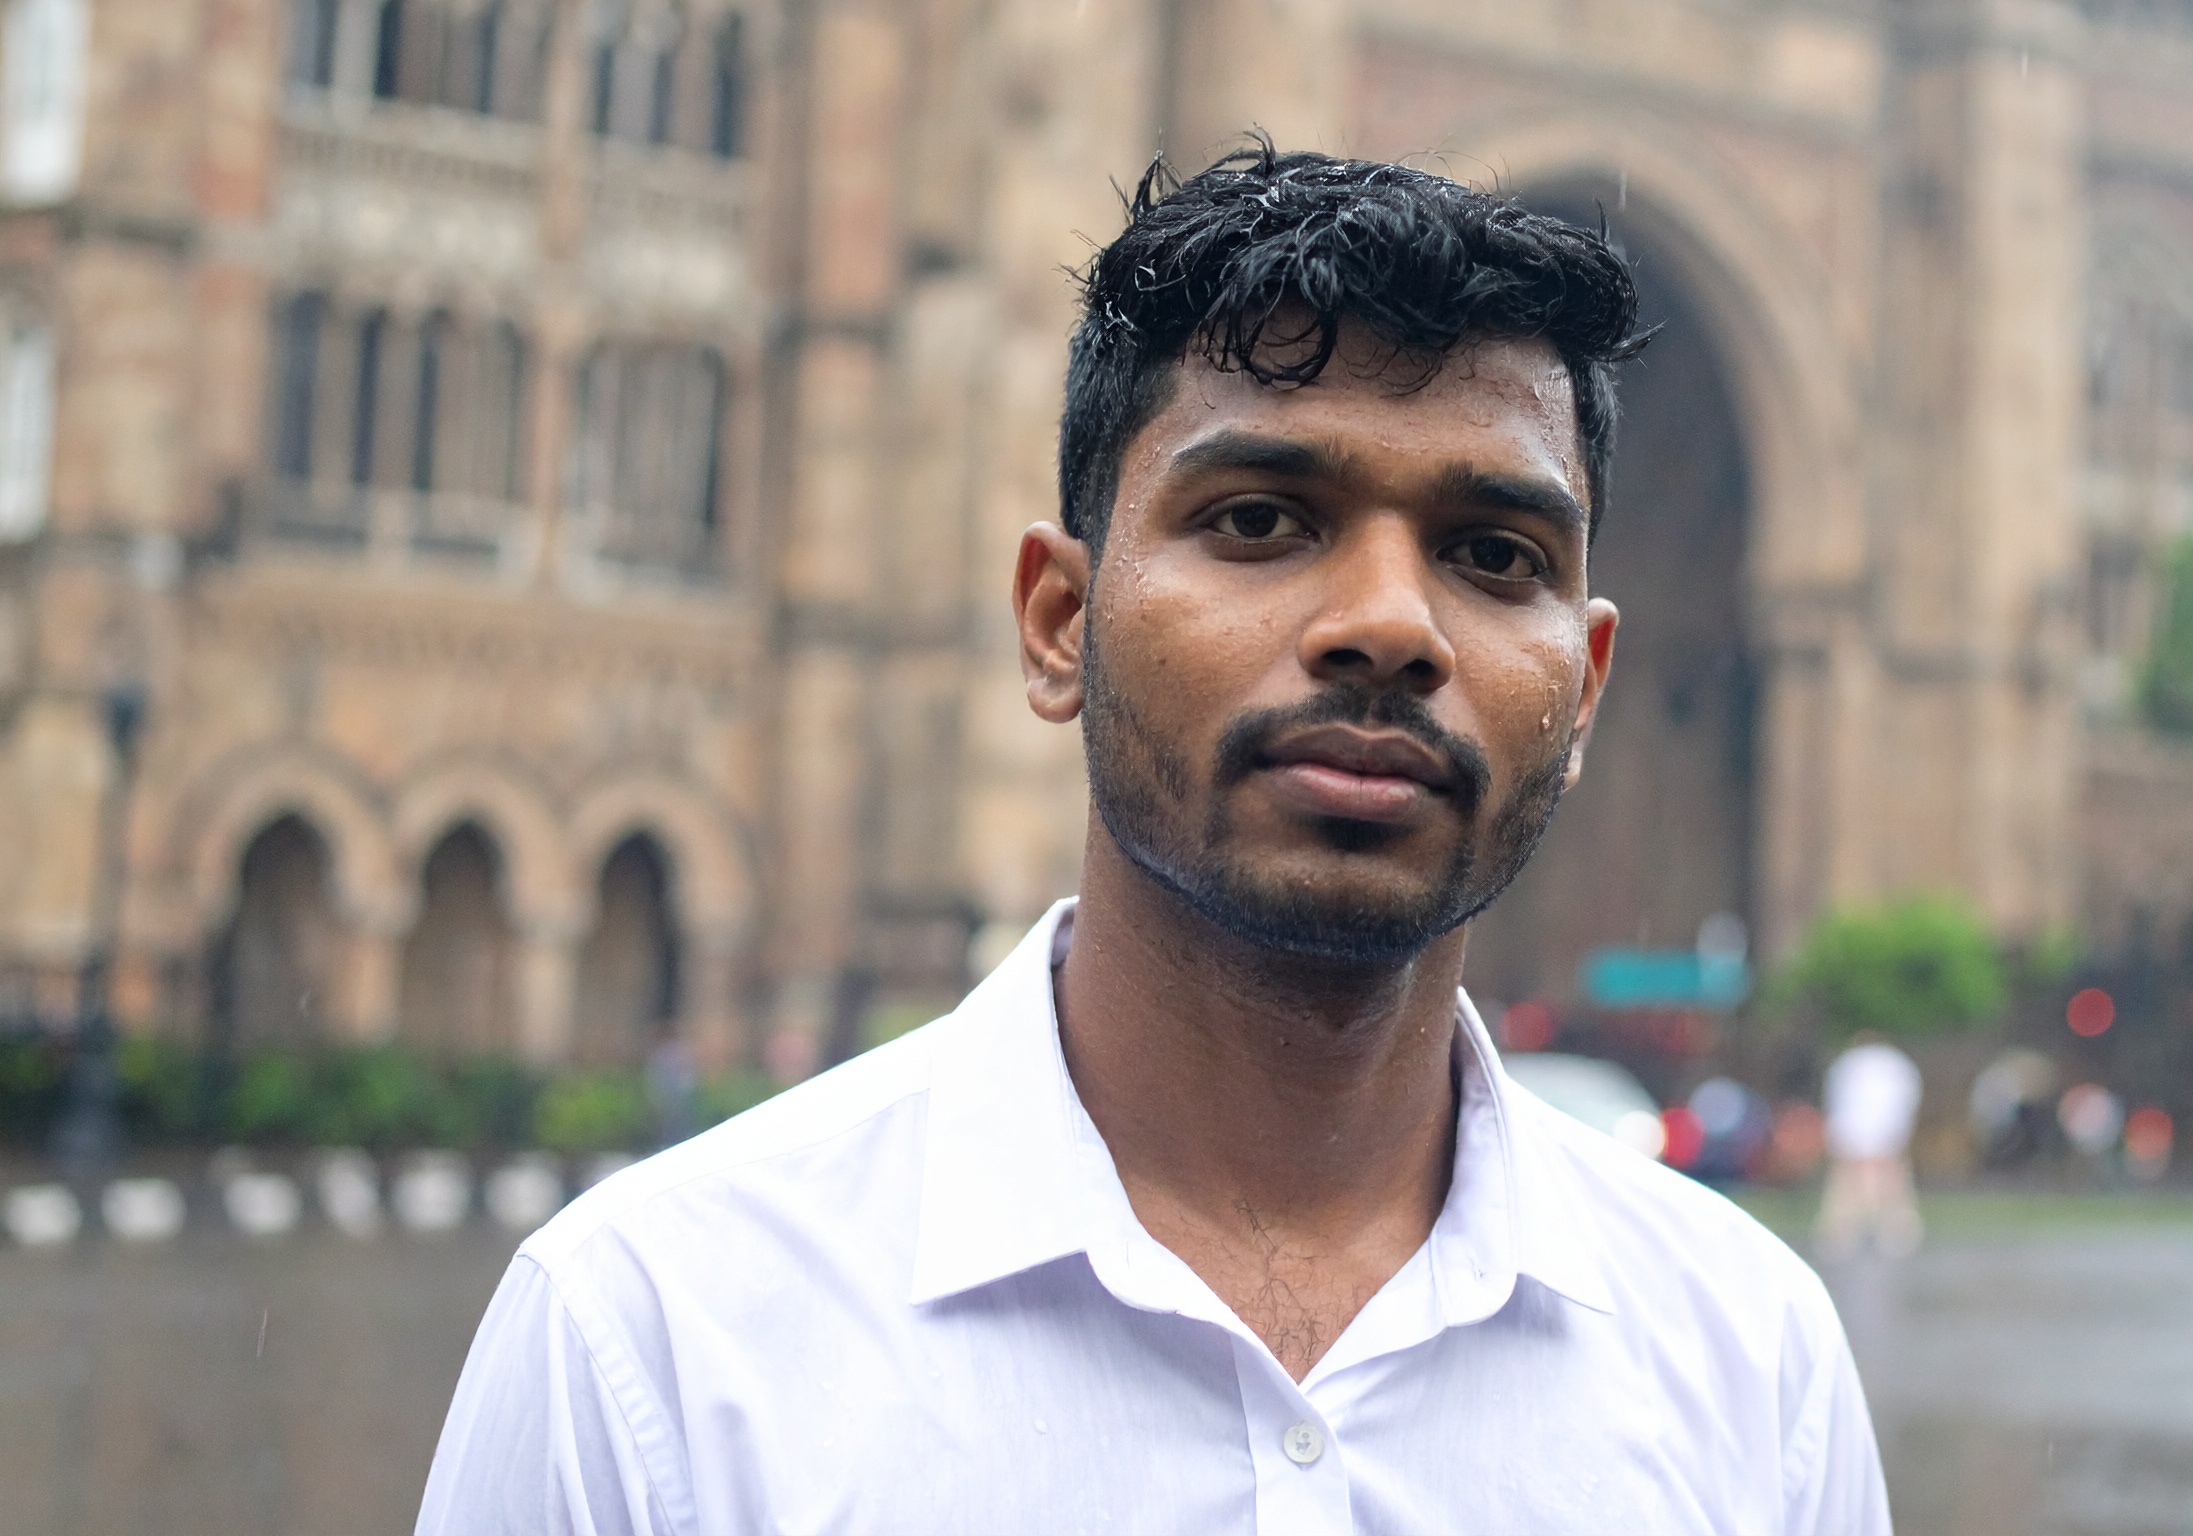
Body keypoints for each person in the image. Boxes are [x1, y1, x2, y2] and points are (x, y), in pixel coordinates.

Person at [418, 144, 1888, 1536]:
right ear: (1060, 623)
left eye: (1493, 556)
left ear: (1585, 688)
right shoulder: (651, 1343)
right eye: (1260, 519)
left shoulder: (1755, 1369)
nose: (1386, 624)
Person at [1815, 1034, 1924, 1259]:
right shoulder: (1867, 1064)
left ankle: (1894, 1231)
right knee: (1851, 1184)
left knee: (1884, 1182)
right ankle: (1843, 1232)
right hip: (1864, 1128)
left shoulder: (1880, 1064)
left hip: (1873, 1128)